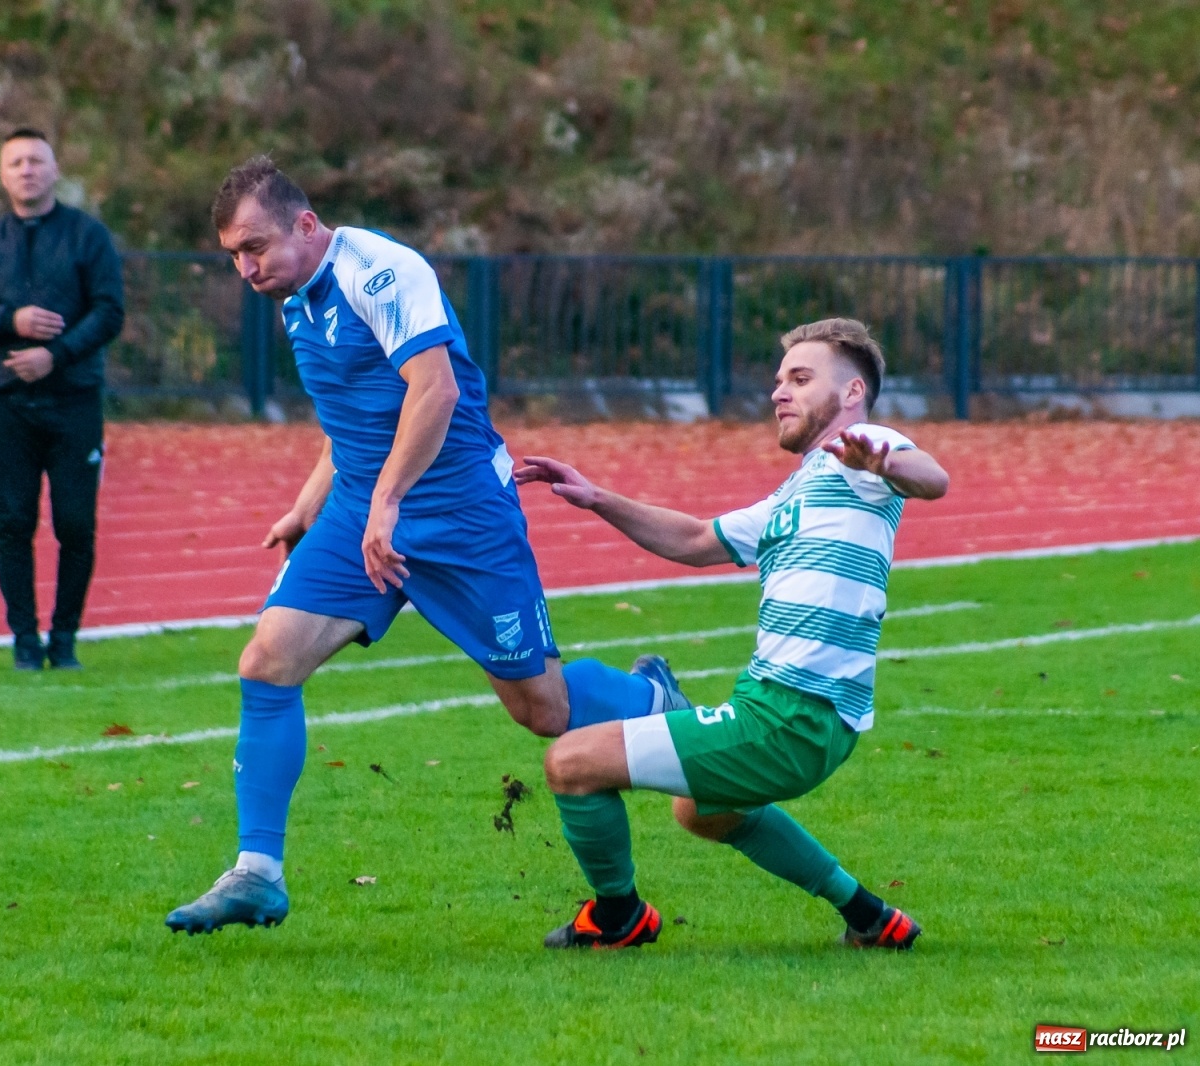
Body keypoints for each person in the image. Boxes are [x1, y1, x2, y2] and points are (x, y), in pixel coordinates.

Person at [165, 157, 575, 934]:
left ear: (306, 225)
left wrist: (389, 501)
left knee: (544, 710)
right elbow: (352, 419)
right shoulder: (294, 297)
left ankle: (650, 698)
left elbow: (435, 389)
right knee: (268, 661)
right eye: (234, 256)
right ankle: (257, 872)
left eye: (255, 247)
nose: (246, 269)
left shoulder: (381, 272)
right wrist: (306, 508)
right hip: (362, 508)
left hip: (460, 513)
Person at [516, 317, 950, 951]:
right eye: (779, 380)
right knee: (703, 810)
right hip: (787, 710)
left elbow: (932, 479)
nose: (780, 392)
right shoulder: (796, 492)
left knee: (570, 763)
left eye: (800, 379)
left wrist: (883, 460)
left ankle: (618, 917)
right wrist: (596, 497)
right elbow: (695, 540)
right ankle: (871, 916)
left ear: (852, 391)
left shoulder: (864, 451)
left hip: (793, 716)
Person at [0, 128, 125, 670]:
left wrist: (57, 354)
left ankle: (64, 636)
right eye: (16, 162)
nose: (26, 170)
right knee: (13, 523)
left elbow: (109, 311)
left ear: (54, 170)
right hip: (8, 405)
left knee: (74, 524)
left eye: (36, 160)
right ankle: (24, 640)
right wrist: (11, 320)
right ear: (3, 176)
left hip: (74, 401)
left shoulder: (87, 236)